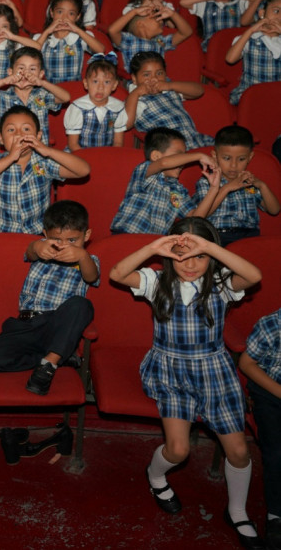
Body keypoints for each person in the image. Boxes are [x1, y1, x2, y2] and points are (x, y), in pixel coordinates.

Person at [109, 218, 265, 548]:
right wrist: (154, 246)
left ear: (211, 256)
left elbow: (254, 276)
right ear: (169, 255)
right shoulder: (157, 281)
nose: (189, 265)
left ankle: (237, 511)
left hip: (213, 370)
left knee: (238, 451)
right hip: (169, 369)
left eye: (198, 256)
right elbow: (117, 274)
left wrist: (209, 246)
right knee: (178, 450)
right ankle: (155, 476)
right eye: (181, 255)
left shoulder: (220, 283)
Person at [0, 200, 98, 397]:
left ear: (86, 235)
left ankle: (49, 363)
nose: (64, 246)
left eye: (72, 240)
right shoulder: (42, 250)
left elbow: (92, 276)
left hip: (58, 325)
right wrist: (36, 246)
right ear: (45, 235)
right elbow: (30, 252)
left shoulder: (87, 260)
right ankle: (57, 357)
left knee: (82, 305)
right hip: (27, 324)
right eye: (57, 240)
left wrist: (83, 256)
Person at [0, 106, 90, 235]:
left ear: (38, 136)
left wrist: (48, 151)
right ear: (0, 138)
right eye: (11, 130)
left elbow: (83, 170)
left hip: (37, 234)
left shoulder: (44, 163)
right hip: (1, 233)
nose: (19, 134)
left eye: (26, 129)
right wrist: (10, 158)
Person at [110, 127, 218, 235]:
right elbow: (164, 163)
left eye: (184, 156)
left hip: (155, 244)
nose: (183, 161)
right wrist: (199, 155)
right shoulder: (145, 171)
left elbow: (194, 217)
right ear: (156, 156)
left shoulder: (177, 190)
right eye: (179, 155)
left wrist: (214, 188)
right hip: (126, 235)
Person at [239, 307, 281, 550]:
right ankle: (276, 515)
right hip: (269, 389)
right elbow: (246, 364)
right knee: (276, 452)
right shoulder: (272, 324)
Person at [196, 125, 281, 245]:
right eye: (227, 158)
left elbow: (274, 210)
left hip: (250, 235)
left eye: (241, 159)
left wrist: (262, 186)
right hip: (218, 235)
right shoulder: (207, 181)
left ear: (249, 157)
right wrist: (227, 188)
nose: (233, 166)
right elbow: (203, 214)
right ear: (215, 156)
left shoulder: (248, 182)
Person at [0, 46, 70, 147]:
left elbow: (65, 97)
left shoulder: (42, 95)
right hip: (7, 154)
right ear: (10, 72)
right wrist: (3, 81)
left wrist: (42, 83)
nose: (26, 73)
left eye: (32, 69)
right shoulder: (1, 97)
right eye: (21, 68)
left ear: (40, 74)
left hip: (38, 154)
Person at [123, 51, 212, 149]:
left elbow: (199, 91)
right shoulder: (136, 100)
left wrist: (169, 85)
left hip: (195, 138)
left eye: (159, 73)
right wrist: (136, 93)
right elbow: (126, 124)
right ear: (134, 79)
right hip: (170, 148)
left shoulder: (169, 90)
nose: (154, 79)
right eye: (146, 75)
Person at [33, 0, 105, 83]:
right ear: (51, 13)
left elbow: (101, 50)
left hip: (73, 88)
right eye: (59, 12)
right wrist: (47, 31)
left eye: (71, 14)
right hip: (49, 88)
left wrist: (78, 30)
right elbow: (30, 53)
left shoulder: (80, 38)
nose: (64, 17)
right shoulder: (42, 38)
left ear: (77, 17)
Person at [64, 55, 127, 151]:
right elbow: (73, 144)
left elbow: (118, 143)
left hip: (106, 155)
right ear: (86, 84)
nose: (100, 87)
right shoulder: (78, 108)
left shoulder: (118, 107)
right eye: (95, 81)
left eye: (106, 82)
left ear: (114, 85)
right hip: (80, 154)